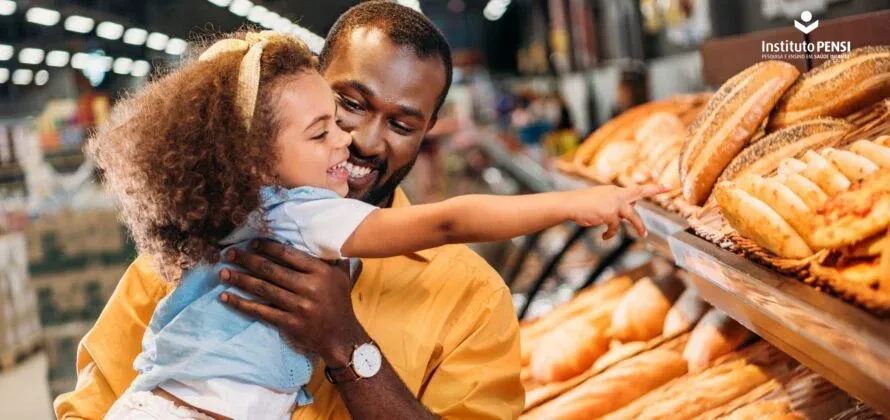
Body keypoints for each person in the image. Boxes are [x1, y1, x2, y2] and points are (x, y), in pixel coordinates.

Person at [54, 3, 663, 419]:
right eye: (348, 104)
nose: (367, 140)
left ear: (428, 134)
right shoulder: (193, 252)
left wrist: (347, 348)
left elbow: (454, 220)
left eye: (402, 123)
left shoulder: (471, 300)